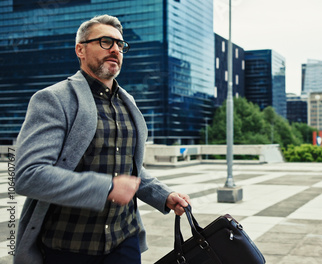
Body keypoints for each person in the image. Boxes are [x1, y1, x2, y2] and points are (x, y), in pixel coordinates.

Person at [14, 14, 190, 264]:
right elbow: (28, 175)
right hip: (69, 246)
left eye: (120, 44)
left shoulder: (128, 103)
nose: (116, 49)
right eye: (106, 42)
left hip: (125, 242)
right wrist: (107, 187)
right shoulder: (53, 100)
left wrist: (163, 194)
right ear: (80, 49)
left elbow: (130, 169)